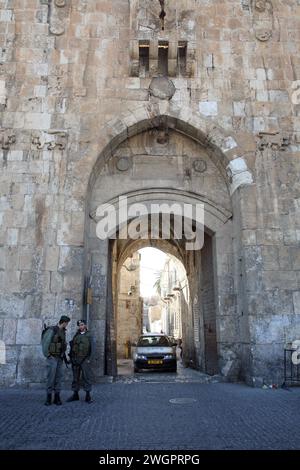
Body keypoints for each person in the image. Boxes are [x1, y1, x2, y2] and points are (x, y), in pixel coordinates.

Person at [43, 315, 71, 406]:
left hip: (60, 358)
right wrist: (48, 355)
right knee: (51, 378)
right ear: (64, 322)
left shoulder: (63, 332)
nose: (67, 325)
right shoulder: (52, 330)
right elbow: (45, 343)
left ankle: (57, 397)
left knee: (58, 377)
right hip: (52, 358)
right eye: (66, 323)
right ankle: (48, 397)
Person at [67, 319, 95, 404]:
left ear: (85, 325)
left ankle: (88, 395)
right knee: (75, 377)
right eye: (79, 325)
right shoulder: (76, 335)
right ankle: (75, 394)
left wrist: (89, 359)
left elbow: (93, 348)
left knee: (86, 377)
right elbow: (73, 347)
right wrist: (71, 357)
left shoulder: (89, 335)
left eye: (82, 325)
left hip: (85, 359)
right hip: (75, 359)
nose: (81, 326)